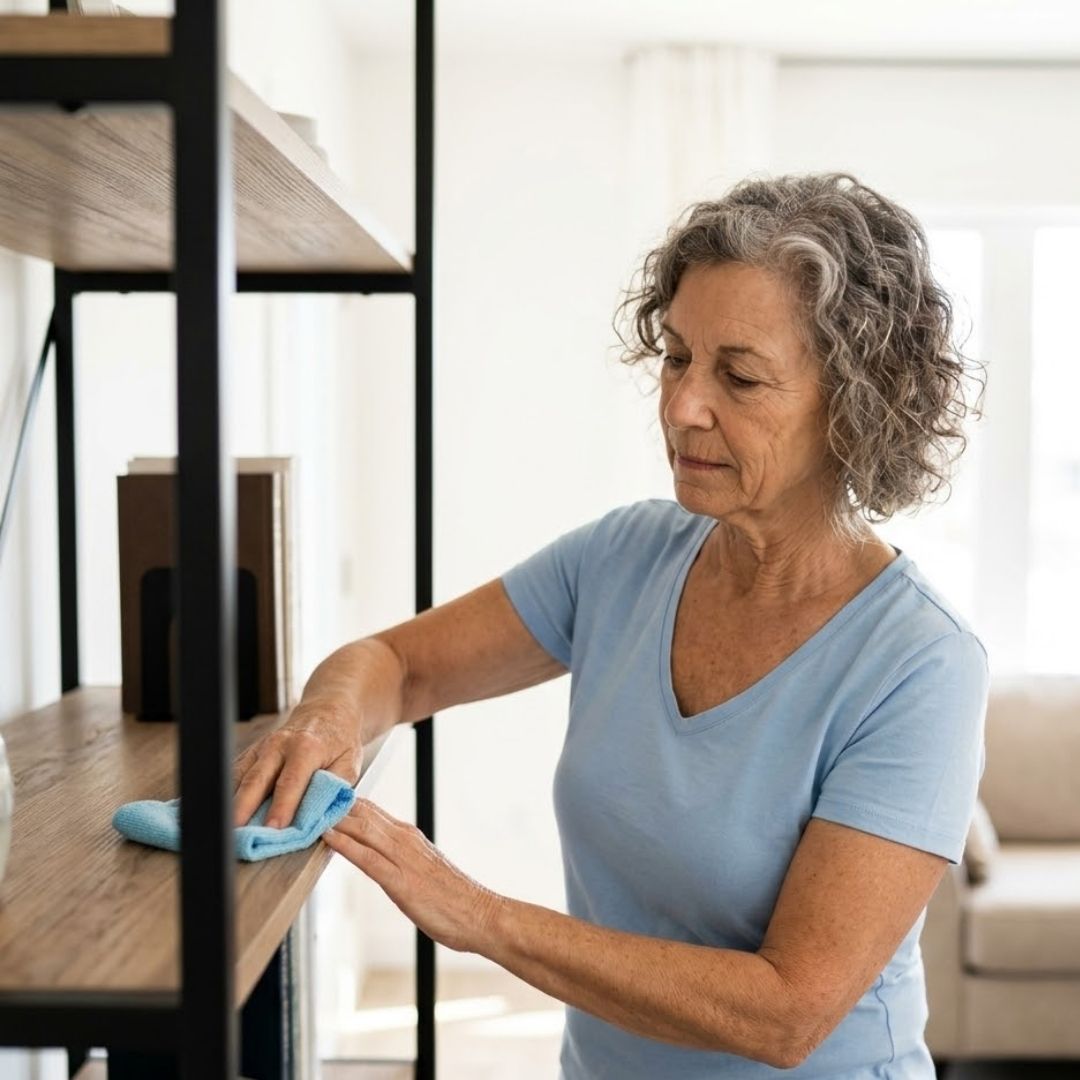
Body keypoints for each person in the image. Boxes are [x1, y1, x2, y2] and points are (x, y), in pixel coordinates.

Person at [232, 172, 989, 1078]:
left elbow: (789, 1012)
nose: (681, 407)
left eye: (739, 376)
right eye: (675, 357)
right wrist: (326, 716)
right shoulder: (625, 557)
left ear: (856, 406)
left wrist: (480, 917)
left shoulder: (922, 666)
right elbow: (400, 663)